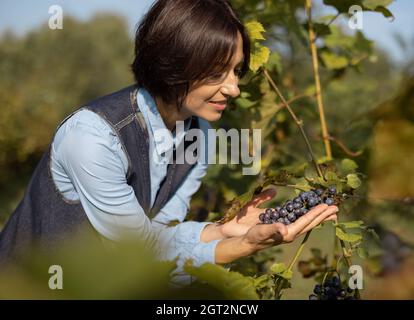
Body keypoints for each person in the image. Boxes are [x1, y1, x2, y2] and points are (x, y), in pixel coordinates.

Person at [0, 0, 338, 283]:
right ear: (173, 65)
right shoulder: (92, 138)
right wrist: (242, 246)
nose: (234, 88)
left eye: (237, 71)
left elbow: (159, 234)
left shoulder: (198, 133)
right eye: (217, 72)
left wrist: (222, 232)